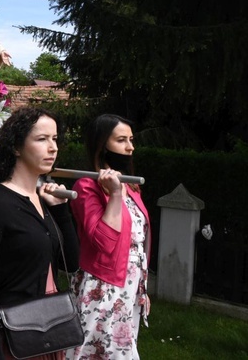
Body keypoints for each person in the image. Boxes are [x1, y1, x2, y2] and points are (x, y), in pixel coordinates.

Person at [0, 107, 79, 360]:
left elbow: (70, 263)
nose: (53, 147)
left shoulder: (41, 201)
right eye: (42, 139)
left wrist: (61, 211)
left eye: (55, 138)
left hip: (50, 327)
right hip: (14, 337)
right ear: (16, 147)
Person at [67, 114, 151, 360]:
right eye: (122, 140)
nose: (130, 147)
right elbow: (103, 242)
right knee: (96, 351)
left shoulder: (132, 186)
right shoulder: (86, 186)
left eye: (131, 140)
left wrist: (143, 290)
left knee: (120, 349)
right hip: (102, 283)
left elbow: (139, 238)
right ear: (103, 144)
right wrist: (114, 195)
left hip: (131, 283)